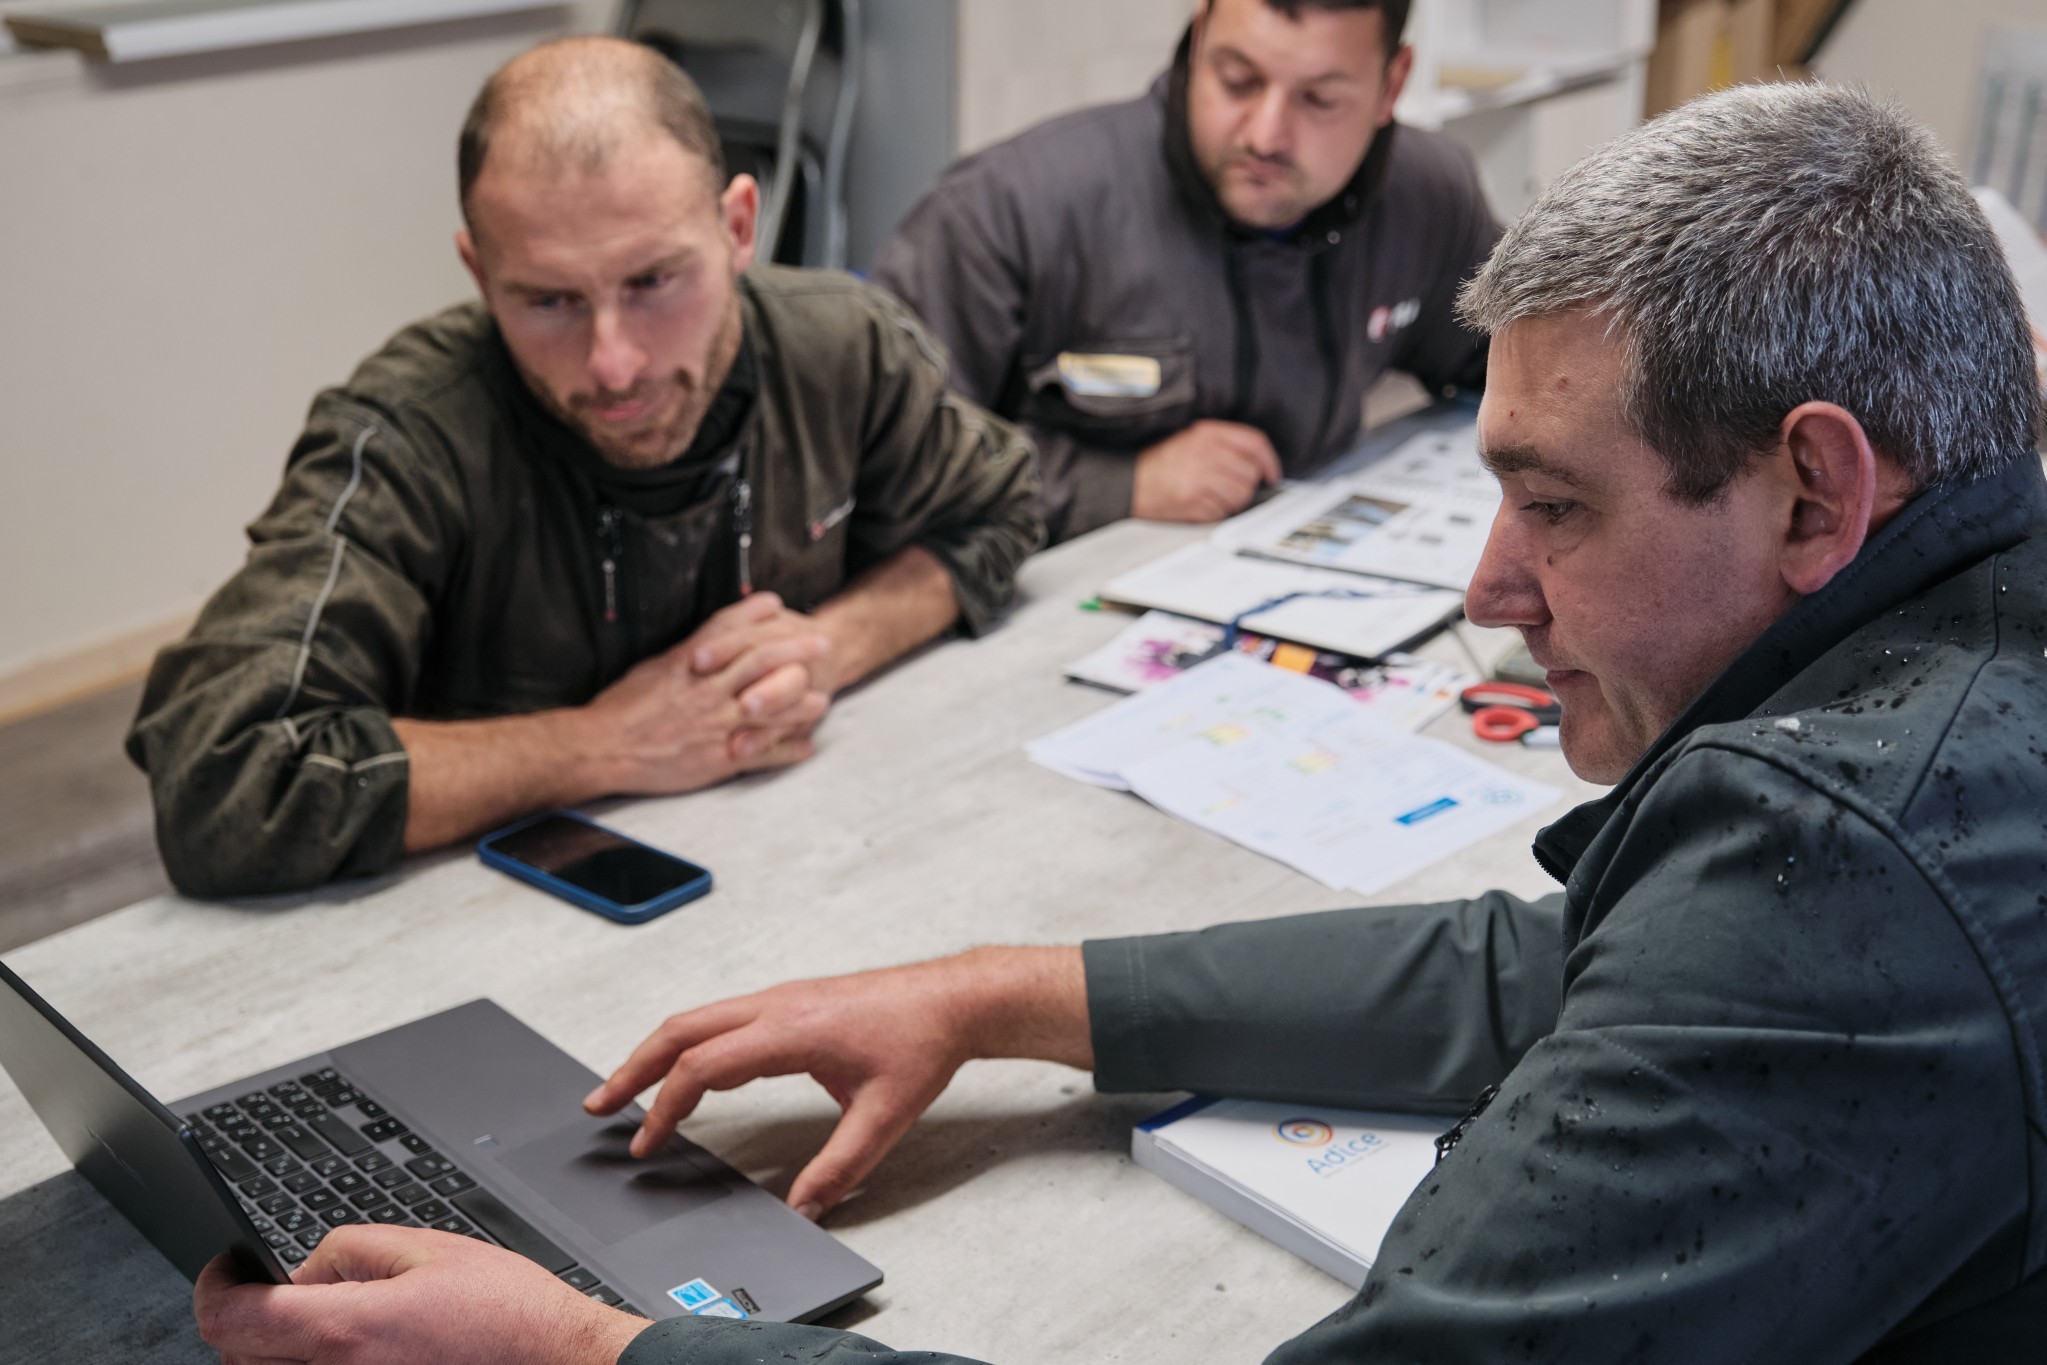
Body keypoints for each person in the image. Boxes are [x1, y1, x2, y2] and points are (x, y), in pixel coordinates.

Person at [194, 83, 2047, 1362]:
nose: (1490, 588)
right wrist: (1002, 997)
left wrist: (591, 1350)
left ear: (1813, 494)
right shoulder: (1947, 674)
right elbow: (1547, 971)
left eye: (1552, 504)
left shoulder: (1850, 868)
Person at [126, 38, 1039, 898]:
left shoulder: (842, 345)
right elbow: (226, 775)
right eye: (550, 300)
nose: (614, 363)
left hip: (827, 866)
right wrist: (607, 743)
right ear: (479, 274)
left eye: (653, 282)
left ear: (737, 226)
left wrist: (825, 649)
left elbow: (998, 511)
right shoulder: (410, 435)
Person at [870, 0, 1498, 545]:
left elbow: (1522, 370)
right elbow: (889, 471)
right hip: (1044, 602)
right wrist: (1117, 484)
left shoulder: (1426, 197)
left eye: (1319, 99)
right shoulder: (1003, 213)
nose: (1266, 135)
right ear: (1198, 39)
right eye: (1238, 80)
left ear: (1392, 86)